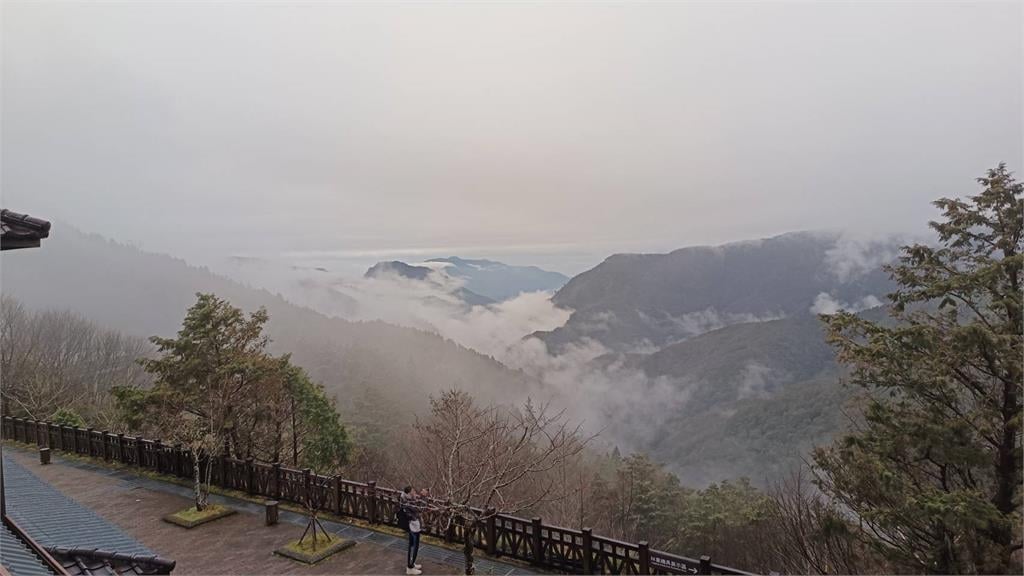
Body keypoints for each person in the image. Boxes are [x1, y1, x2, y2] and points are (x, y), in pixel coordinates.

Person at [401, 486, 422, 575]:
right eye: (413, 491)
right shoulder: (407, 502)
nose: (415, 492)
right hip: (412, 526)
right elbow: (419, 510)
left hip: (413, 525)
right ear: (409, 493)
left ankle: (412, 564)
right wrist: (423, 497)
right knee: (413, 546)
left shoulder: (407, 499)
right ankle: (410, 568)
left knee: (414, 545)